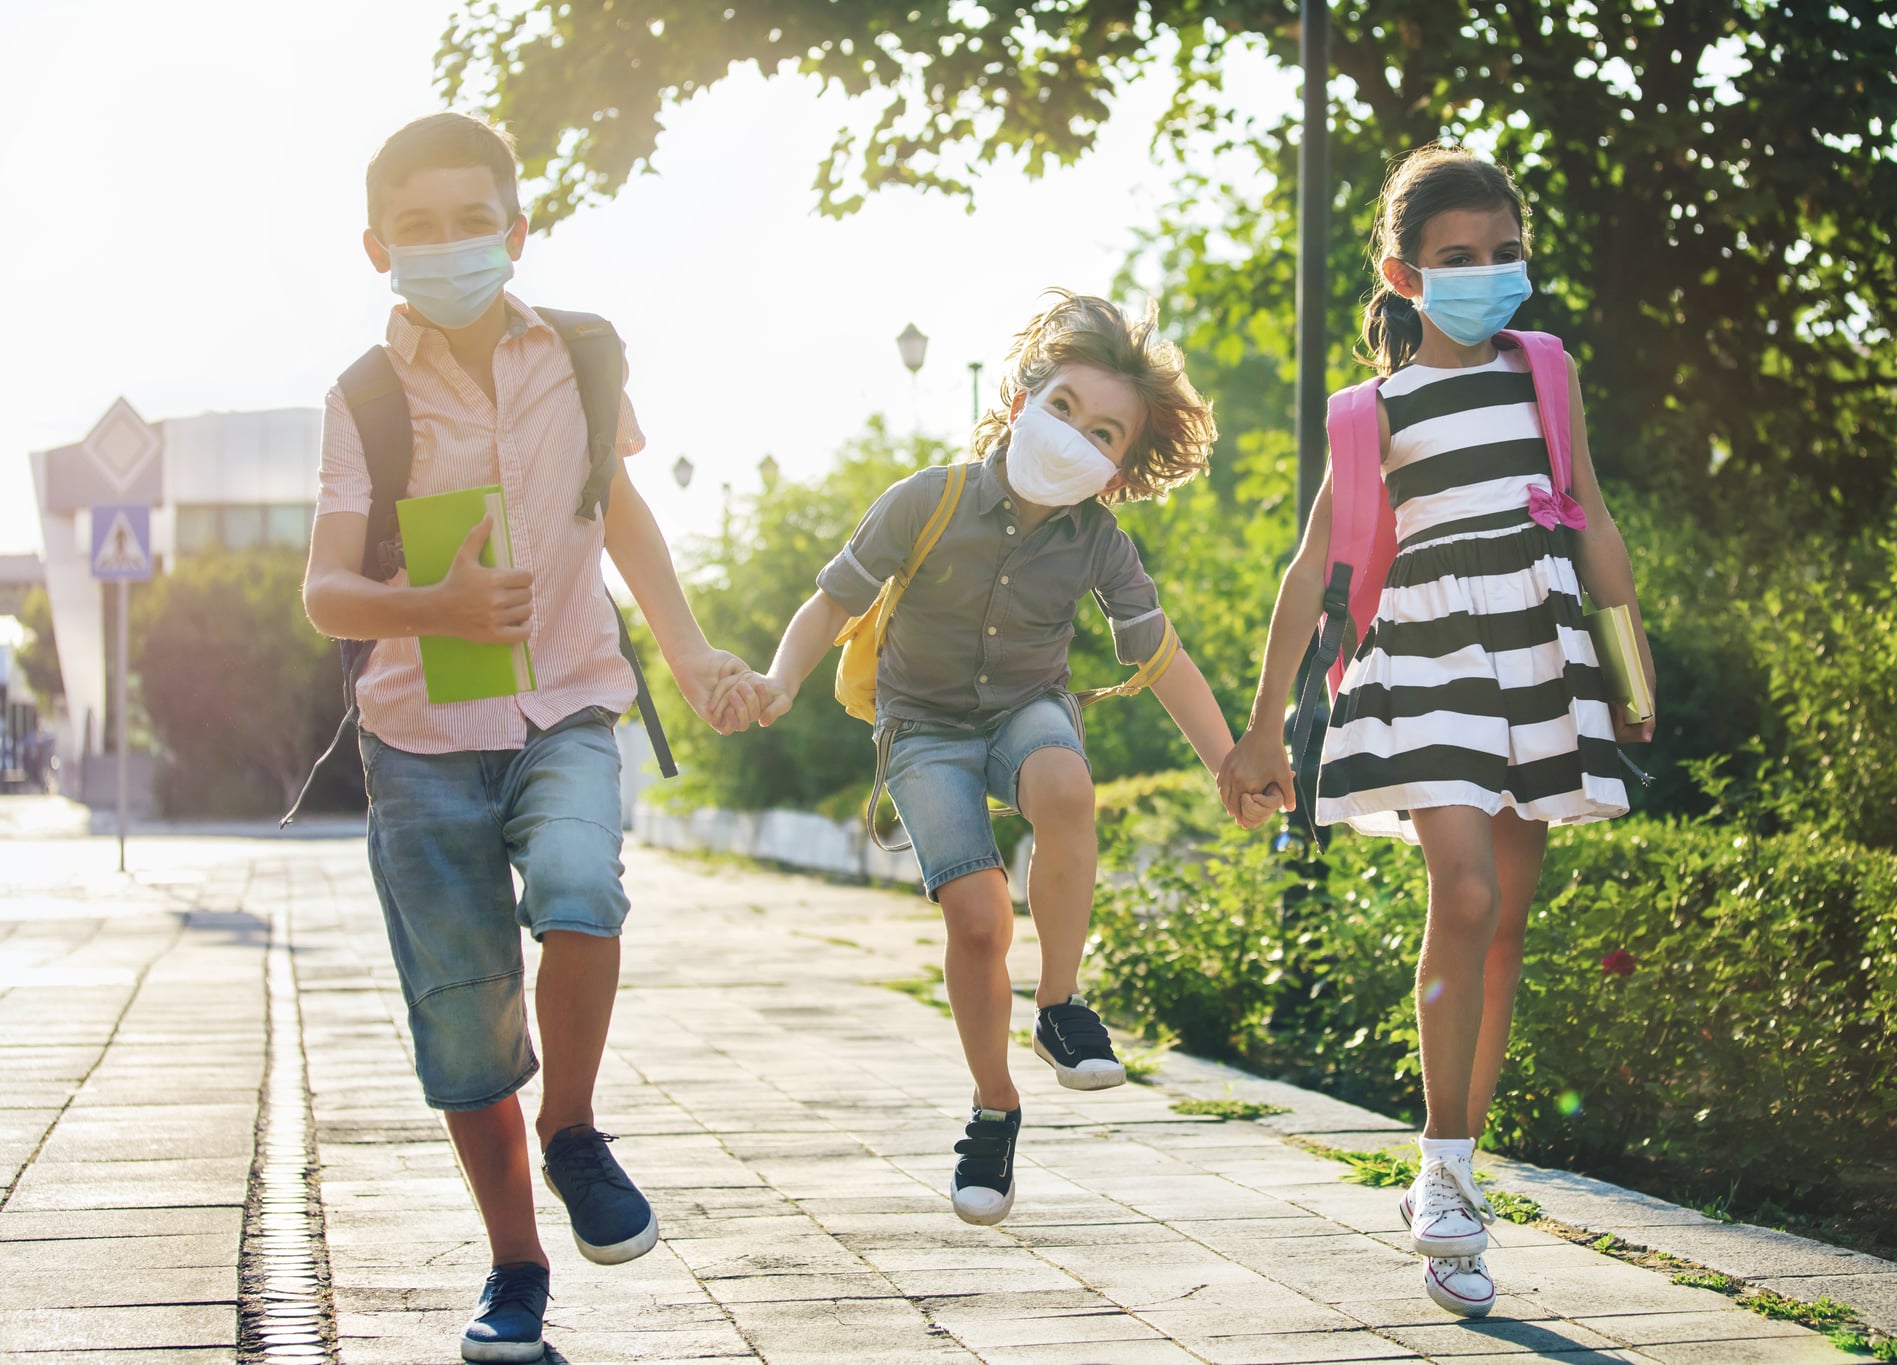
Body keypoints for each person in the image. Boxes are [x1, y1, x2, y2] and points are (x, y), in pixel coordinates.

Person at [300, 113, 768, 1363]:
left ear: (516, 230)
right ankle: (516, 1271)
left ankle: (573, 1127)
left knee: (580, 888)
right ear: (375, 246)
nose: (446, 245)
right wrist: (432, 608)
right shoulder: (362, 397)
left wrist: (690, 651)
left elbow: (617, 515)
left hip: (567, 699)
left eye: (470, 222)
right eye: (418, 228)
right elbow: (326, 595)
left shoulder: (582, 353)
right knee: (462, 1019)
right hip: (417, 736)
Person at [1218, 146, 1655, 1318]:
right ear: (1402, 274)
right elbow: (1313, 566)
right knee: (1459, 897)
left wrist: (1631, 669)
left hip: (1537, 650)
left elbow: (1591, 514)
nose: (1485, 275)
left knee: (1505, 921)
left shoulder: (1547, 373)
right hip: (1424, 658)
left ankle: (1457, 1172)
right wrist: (1263, 734)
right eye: (1456, 259)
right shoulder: (1370, 414)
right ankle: (1436, 1160)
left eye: (1503, 254)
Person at [754, 291, 1277, 1226]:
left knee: (1066, 783)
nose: (1077, 434)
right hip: (920, 731)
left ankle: (1063, 1005)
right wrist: (781, 680)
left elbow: (1161, 658)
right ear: (1024, 396)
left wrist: (1228, 760)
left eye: (1105, 432)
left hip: (1027, 711)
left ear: (1120, 468)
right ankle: (995, 1105)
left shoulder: (1099, 544)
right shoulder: (928, 499)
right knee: (980, 917)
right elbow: (831, 602)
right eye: (1066, 407)